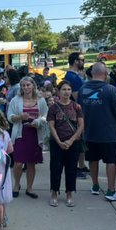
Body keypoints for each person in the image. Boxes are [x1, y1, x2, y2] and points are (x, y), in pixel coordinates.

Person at [78, 63, 116, 202]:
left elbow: (79, 110)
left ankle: (95, 186)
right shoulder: (110, 90)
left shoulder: (83, 89)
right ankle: (111, 190)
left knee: (93, 159)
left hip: (89, 133)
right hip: (109, 134)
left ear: (92, 73)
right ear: (105, 74)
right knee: (111, 161)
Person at [7, 76, 47, 199]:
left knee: (31, 163)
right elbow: (9, 117)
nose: (26, 88)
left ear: (33, 86)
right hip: (20, 133)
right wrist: (20, 117)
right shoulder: (15, 100)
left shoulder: (41, 100)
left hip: (35, 134)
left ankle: (29, 188)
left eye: (28, 85)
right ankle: (16, 185)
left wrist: (39, 121)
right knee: (18, 163)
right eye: (23, 85)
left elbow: (45, 115)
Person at [47, 80, 84, 208]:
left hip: (72, 143)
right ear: (58, 91)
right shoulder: (53, 108)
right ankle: (54, 193)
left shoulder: (76, 107)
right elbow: (51, 126)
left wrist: (71, 140)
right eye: (64, 89)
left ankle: (69, 194)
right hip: (57, 142)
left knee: (71, 169)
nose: (66, 92)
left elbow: (81, 125)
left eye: (69, 89)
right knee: (56, 169)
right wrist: (59, 141)